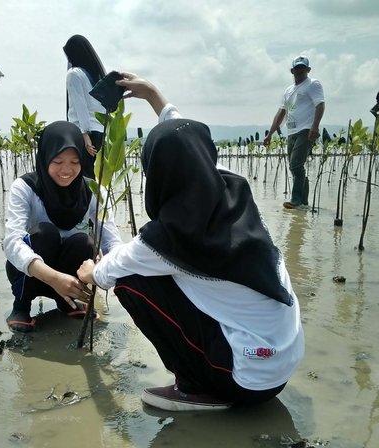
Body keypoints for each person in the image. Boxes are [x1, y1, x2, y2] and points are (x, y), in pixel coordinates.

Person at [77, 74, 304, 412]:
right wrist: (154, 95)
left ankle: (195, 386)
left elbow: (110, 271)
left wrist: (88, 272)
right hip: (281, 368)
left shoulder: (169, 237)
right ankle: (215, 369)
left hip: (244, 381)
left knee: (130, 281)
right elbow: (187, 139)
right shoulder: (234, 187)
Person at [3, 120, 122, 332]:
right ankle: (21, 305)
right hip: (32, 273)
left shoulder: (94, 190)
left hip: (72, 274)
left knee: (85, 242)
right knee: (44, 234)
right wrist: (54, 278)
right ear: (45, 157)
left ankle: (66, 301)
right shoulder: (25, 187)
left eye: (74, 162)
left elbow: (111, 240)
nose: (66, 170)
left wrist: (108, 270)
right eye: (57, 161)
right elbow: (12, 242)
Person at [264, 56, 325, 209]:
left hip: (306, 130)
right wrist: (270, 134)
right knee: (294, 167)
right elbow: (281, 113)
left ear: (308, 70)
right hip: (291, 132)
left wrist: (315, 126)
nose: (300, 70)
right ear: (292, 71)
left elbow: (320, 105)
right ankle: (304, 200)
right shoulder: (289, 91)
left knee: (296, 165)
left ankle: (296, 199)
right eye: (297, 68)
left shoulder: (313, 84)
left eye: (302, 67)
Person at [63, 34, 106, 178]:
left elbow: (79, 105)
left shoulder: (74, 74)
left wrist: (85, 136)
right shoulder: (92, 76)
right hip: (99, 131)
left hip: (84, 133)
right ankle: (95, 200)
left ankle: (89, 201)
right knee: (90, 176)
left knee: (83, 177)